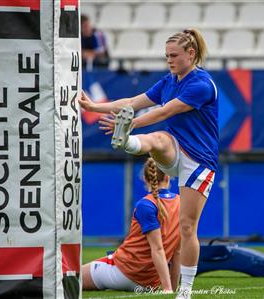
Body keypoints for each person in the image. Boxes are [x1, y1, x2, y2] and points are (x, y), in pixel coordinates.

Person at [79, 28, 218, 299]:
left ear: (191, 54)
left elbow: (165, 111)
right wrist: (96, 107)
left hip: (199, 162)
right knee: (158, 139)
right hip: (175, 148)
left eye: (174, 55)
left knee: (187, 227)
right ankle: (127, 142)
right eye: (166, 55)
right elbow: (132, 102)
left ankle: (185, 292)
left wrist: (129, 122)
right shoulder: (169, 80)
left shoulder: (201, 84)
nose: (169, 60)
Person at [82, 158, 181, 293]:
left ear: (145, 179)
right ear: (168, 177)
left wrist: (167, 289)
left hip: (125, 272)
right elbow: (177, 251)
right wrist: (172, 289)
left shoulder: (146, 204)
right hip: (150, 282)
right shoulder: (180, 202)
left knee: (66, 279)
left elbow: (157, 250)